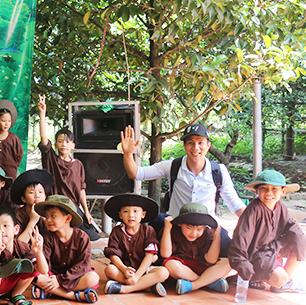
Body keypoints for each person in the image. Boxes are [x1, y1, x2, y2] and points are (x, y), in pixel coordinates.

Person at [121, 123, 246, 256]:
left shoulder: (218, 171)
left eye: (200, 142)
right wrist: (128, 153)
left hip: (206, 227)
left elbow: (235, 204)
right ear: (185, 146)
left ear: (208, 146)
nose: (196, 147)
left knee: (228, 248)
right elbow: (136, 174)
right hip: (176, 225)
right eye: (190, 143)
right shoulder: (173, 166)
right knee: (153, 226)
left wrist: (256, 226)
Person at [228, 170, 306, 292]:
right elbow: (240, 239)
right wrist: (242, 263)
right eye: (264, 189)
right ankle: (280, 281)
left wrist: (300, 239)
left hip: (273, 248)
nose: (269, 193)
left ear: (283, 191)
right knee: (280, 278)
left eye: (274, 189)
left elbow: (291, 226)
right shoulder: (253, 210)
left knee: (300, 242)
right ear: (257, 191)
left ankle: (283, 281)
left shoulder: (280, 206)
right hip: (257, 254)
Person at [37, 95, 98, 241]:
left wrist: (86, 212)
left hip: (72, 207)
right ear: (56, 144)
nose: (64, 144)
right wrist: (42, 114)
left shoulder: (78, 164)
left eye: (67, 142)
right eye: (60, 141)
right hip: (55, 204)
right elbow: (44, 140)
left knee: (91, 236)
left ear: (73, 146)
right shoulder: (51, 160)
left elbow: (82, 189)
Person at [33, 195, 100, 303]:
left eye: (53, 216)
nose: (48, 220)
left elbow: (83, 265)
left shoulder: (82, 237)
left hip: (75, 276)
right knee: (35, 275)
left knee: (93, 278)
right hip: (53, 276)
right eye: (46, 216)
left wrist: (60, 281)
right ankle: (74, 296)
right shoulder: (47, 237)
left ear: (68, 218)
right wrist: (38, 252)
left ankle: (52, 291)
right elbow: (45, 267)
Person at [102, 194, 170, 296]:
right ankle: (147, 286)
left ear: (143, 214)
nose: (131, 215)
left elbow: (149, 255)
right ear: (120, 215)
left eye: (135, 211)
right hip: (125, 269)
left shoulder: (148, 231)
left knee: (164, 272)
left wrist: (137, 276)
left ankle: (125, 289)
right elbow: (113, 254)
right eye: (126, 211)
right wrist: (124, 269)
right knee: (110, 270)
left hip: (144, 269)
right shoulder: (117, 231)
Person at [160, 203, 231, 295]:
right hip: (182, 269)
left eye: (199, 229)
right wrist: (167, 229)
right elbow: (165, 254)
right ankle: (209, 282)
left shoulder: (207, 234)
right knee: (170, 264)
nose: (193, 233)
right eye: (189, 228)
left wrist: (216, 237)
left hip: (202, 266)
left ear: (205, 227)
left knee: (227, 263)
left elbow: (211, 260)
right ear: (180, 224)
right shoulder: (173, 231)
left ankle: (193, 285)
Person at [10, 169, 53, 243]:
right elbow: (18, 245)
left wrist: (47, 222)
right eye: (32, 192)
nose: (37, 196)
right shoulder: (17, 215)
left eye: (40, 192)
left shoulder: (50, 212)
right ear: (23, 199)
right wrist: (32, 221)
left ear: (45, 196)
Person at [0, 100, 23, 180]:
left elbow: (19, 155)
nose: (7, 124)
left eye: (9, 121)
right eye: (3, 121)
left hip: (10, 173)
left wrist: (13, 166)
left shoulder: (14, 139)